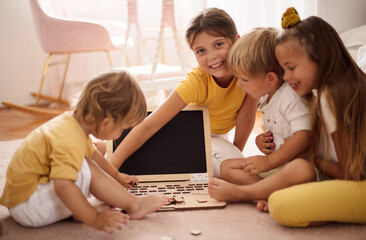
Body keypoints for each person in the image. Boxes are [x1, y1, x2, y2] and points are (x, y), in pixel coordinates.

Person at [0, 70, 170, 234]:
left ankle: (78, 208)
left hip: (27, 198)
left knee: (87, 162)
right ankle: (133, 205)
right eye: (122, 129)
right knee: (85, 167)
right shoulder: (69, 138)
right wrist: (94, 218)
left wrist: (116, 176)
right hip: (29, 208)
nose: (120, 134)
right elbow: (63, 186)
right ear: (106, 123)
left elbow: (95, 155)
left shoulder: (72, 124)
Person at [103, 8, 257, 177]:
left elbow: (246, 118)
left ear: (236, 41)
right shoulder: (196, 82)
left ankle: (107, 147)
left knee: (235, 167)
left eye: (218, 44)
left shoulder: (250, 71)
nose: (212, 56)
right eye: (201, 51)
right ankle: (105, 148)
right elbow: (149, 126)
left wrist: (236, 151)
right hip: (181, 133)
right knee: (139, 159)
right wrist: (112, 166)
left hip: (217, 138)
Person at [268, 7, 366, 227]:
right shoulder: (347, 85)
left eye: (291, 67)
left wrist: (312, 157)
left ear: (319, 58)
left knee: (279, 204)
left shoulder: (331, 95)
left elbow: (352, 175)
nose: (286, 77)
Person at [208, 27, 315, 211]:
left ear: (271, 79)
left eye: (244, 80)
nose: (239, 85)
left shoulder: (290, 96)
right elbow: (281, 131)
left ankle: (254, 192)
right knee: (227, 167)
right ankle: (265, 192)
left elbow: (304, 136)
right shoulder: (268, 98)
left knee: (299, 169)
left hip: (296, 171)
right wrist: (262, 140)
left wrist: (268, 162)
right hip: (279, 168)